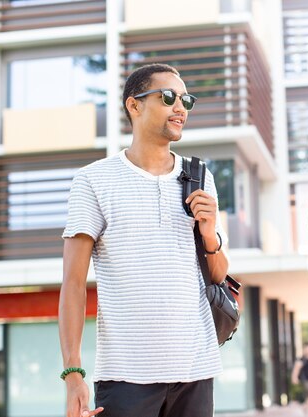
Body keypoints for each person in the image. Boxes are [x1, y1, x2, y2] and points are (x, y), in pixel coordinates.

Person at [59, 63, 229, 417]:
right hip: (126, 378)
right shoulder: (93, 181)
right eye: (168, 97)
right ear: (133, 106)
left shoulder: (199, 176)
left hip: (196, 371)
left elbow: (217, 276)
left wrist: (210, 233)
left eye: (186, 100)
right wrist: (73, 373)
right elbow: (73, 284)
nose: (180, 108)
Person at [291, 342, 308, 416]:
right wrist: (294, 377)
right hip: (305, 380)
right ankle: (307, 409)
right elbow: (296, 368)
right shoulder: (303, 359)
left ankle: (306, 408)